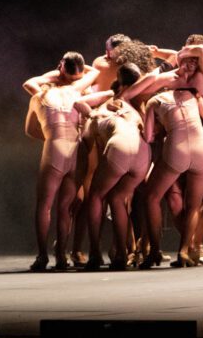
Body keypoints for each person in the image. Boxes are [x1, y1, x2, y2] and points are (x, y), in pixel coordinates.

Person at [23, 52, 107, 271]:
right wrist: (70, 73)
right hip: (76, 148)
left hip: (55, 147)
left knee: (44, 205)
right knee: (66, 207)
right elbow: (95, 72)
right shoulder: (76, 92)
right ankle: (61, 256)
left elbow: (30, 130)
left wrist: (50, 136)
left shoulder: (38, 96)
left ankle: (42, 256)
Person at [141, 75, 203, 269]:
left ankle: (153, 252)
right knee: (193, 205)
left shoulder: (155, 100)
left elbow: (148, 136)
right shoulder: (193, 96)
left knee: (151, 197)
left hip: (178, 147)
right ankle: (185, 250)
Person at [77, 63, 151, 270]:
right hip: (143, 153)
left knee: (95, 196)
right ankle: (122, 253)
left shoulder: (99, 112)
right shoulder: (134, 110)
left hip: (120, 146)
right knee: (118, 198)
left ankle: (93, 253)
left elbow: (85, 141)